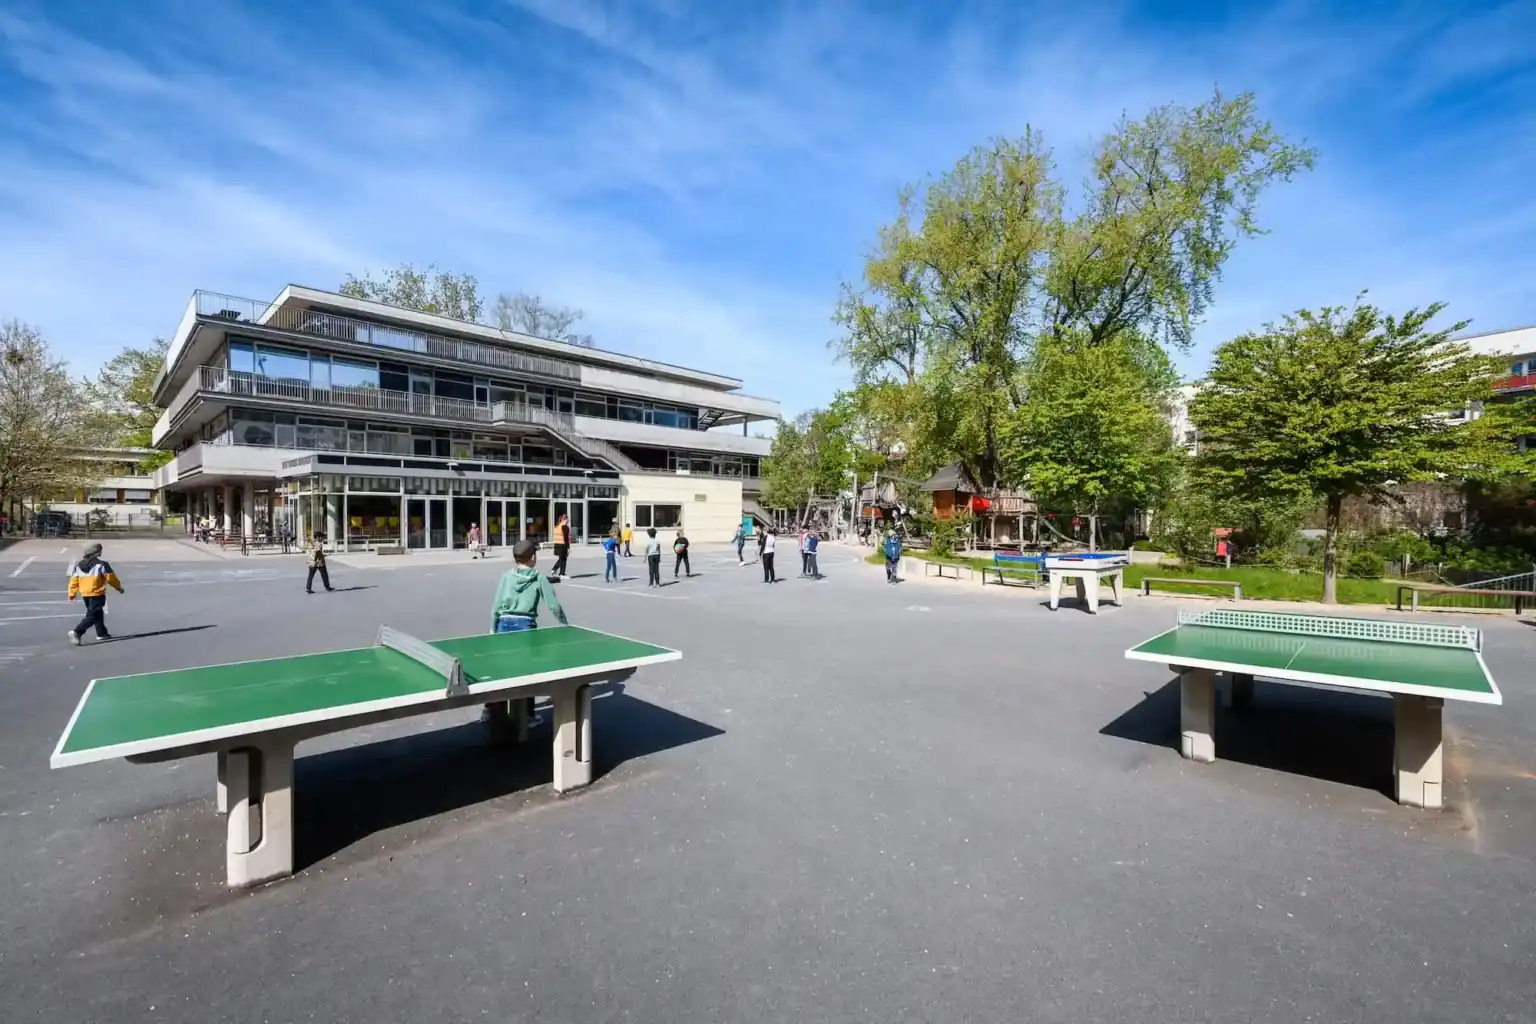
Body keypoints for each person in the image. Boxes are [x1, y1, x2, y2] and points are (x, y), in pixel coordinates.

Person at [485, 538, 569, 732]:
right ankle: (528, 715)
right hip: (525, 626)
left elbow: (496, 606)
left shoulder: (506, 576)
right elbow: (553, 605)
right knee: (526, 673)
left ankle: (490, 709)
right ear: (532, 557)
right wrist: (566, 624)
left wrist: (492, 629)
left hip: (504, 625)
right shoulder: (539, 578)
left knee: (501, 670)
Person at [67, 542, 123, 645]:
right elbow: (111, 578)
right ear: (95, 552)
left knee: (97, 612)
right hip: (97, 594)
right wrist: (118, 587)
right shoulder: (102, 565)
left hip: (85, 594)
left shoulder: (79, 565)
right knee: (92, 615)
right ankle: (77, 632)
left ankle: (101, 633)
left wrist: (72, 593)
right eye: (100, 550)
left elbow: (74, 580)